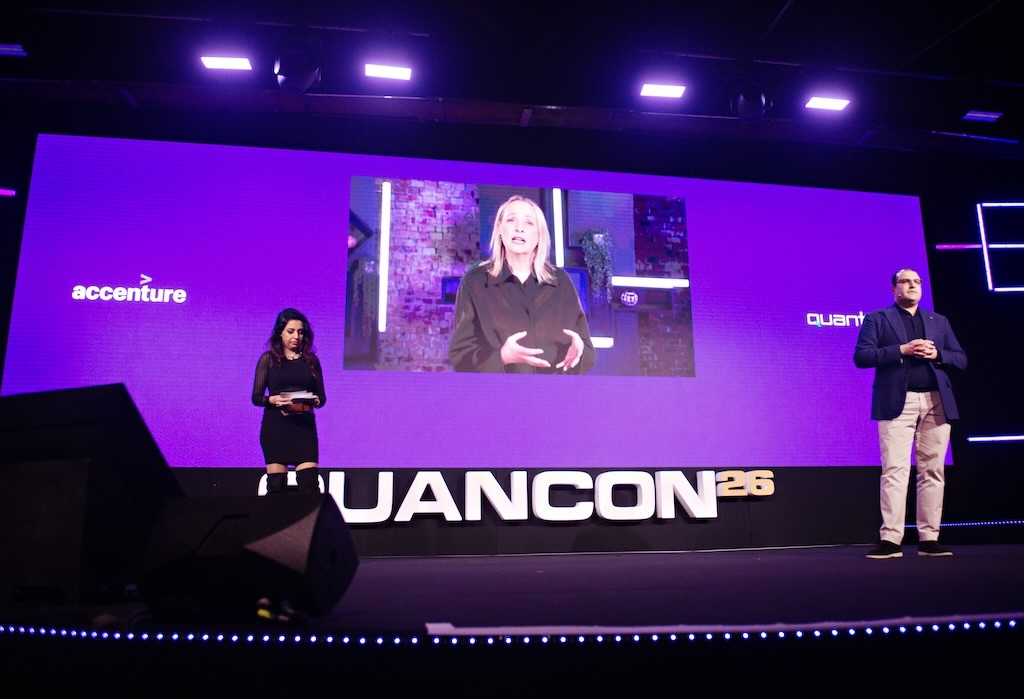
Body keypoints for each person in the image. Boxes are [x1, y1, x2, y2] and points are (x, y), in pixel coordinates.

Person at [853, 268, 967, 559]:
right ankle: (891, 540)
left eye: (917, 282)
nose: (913, 285)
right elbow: (862, 356)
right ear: (894, 289)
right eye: (906, 281)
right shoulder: (877, 319)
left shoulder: (938, 321)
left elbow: (961, 358)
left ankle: (929, 538)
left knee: (933, 470)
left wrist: (938, 355)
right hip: (896, 402)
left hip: (936, 401)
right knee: (895, 470)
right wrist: (901, 349)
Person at [448, 194, 596, 374]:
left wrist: (579, 353)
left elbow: (587, 349)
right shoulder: (475, 282)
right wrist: (502, 357)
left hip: (553, 397)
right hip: (499, 397)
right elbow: (460, 356)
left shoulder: (560, 281)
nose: (519, 228)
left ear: (539, 235)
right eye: (511, 220)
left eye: (529, 223)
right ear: (500, 229)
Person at [252, 308, 326, 494]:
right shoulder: (268, 360)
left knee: (309, 485)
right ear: (280, 333)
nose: (296, 337)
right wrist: (273, 400)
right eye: (291, 331)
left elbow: (322, 398)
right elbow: (256, 397)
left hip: (303, 428)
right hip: (276, 427)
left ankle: (310, 523)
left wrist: (314, 401)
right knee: (276, 487)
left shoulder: (311, 361)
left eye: (301, 332)